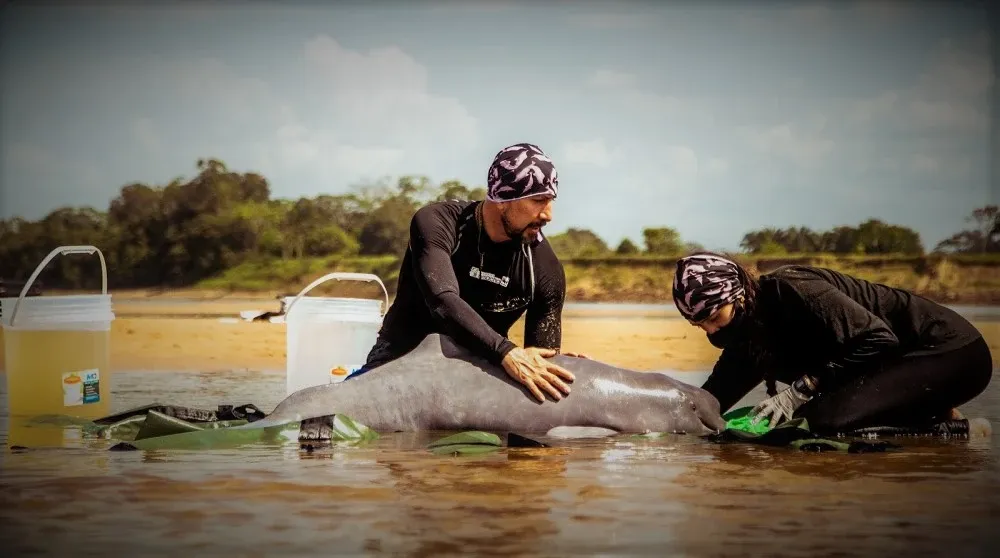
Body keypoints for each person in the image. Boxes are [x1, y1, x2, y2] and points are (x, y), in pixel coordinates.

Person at [354, 142, 586, 403]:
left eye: (551, 200)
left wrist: (560, 365)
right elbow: (443, 301)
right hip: (399, 358)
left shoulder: (544, 268)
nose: (548, 215)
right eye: (538, 200)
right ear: (502, 199)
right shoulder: (438, 223)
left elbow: (538, 361)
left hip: (480, 370)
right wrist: (506, 350)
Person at [670, 252, 993, 434]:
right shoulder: (749, 338)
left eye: (714, 318)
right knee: (809, 418)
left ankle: (955, 433)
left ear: (738, 294)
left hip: (951, 354)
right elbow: (710, 401)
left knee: (819, 422)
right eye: (698, 325)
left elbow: (878, 339)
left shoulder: (792, 289)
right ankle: (923, 413)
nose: (711, 332)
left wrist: (801, 389)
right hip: (900, 370)